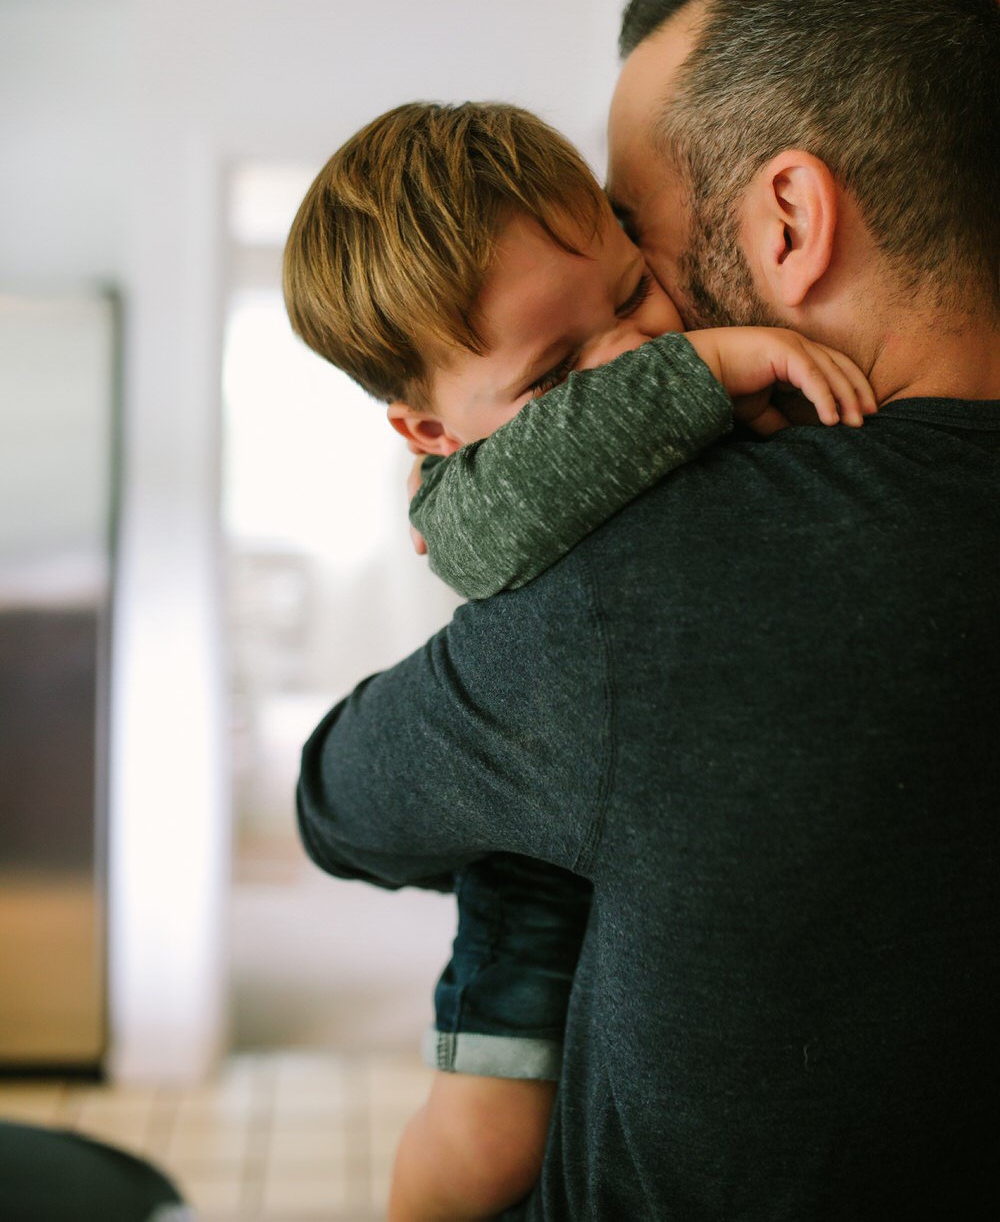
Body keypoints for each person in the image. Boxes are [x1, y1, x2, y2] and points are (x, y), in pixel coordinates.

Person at [292, 0, 1000, 1219]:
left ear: (788, 218)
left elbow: (338, 805)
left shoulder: (643, 587)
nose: (641, 345)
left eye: (639, 239)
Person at [284, 102, 872, 1221]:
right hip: (533, 874)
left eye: (629, 294)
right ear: (431, 434)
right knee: (488, 1138)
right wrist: (714, 367)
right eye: (557, 376)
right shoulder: (472, 497)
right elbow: (497, 528)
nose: (633, 355)